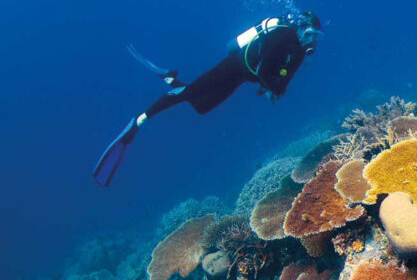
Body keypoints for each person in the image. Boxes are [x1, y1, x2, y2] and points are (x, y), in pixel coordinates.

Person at [92, 11, 323, 186]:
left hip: (243, 75)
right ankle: (142, 118)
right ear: (301, 28)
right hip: (234, 65)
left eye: (316, 37)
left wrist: (276, 89)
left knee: (202, 106)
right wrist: (274, 87)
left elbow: (282, 76)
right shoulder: (283, 36)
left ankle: (172, 80)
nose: (312, 41)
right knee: (192, 92)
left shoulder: (300, 53)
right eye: (310, 34)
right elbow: (263, 71)